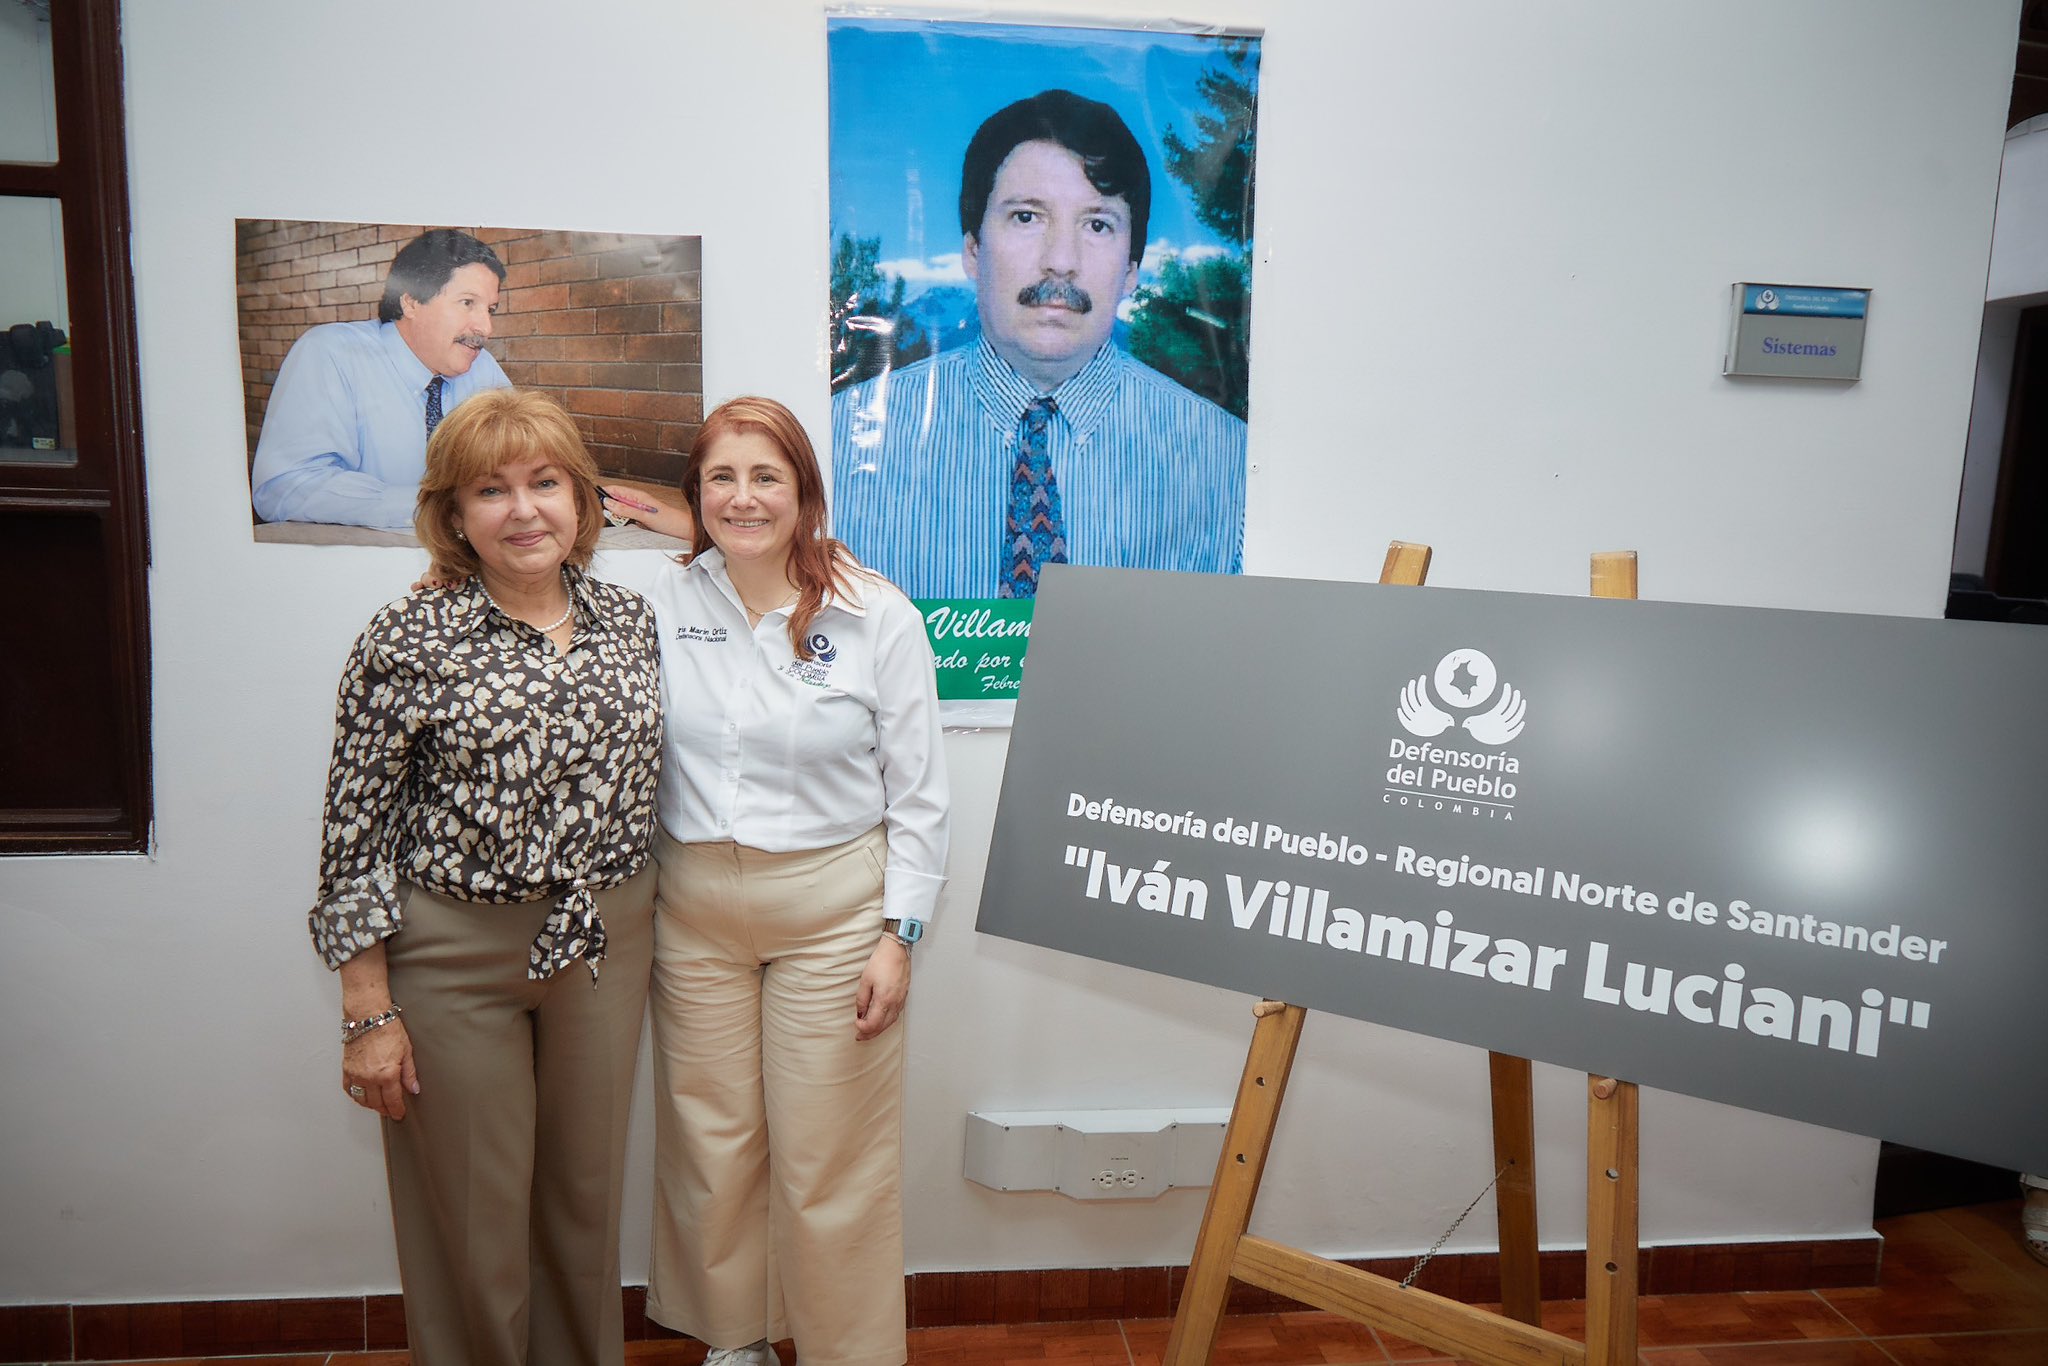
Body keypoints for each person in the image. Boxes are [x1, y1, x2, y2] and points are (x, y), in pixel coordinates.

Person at [311, 388, 664, 1366]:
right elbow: (356, 825)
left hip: (604, 940)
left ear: (581, 501)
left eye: (545, 483)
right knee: (474, 1212)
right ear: (453, 514)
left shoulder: (630, 621)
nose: (523, 509)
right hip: (453, 951)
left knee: (584, 1208)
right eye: (491, 489)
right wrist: (367, 1008)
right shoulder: (406, 637)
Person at [635, 396, 948, 1366]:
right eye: (720, 477)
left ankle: (845, 1352)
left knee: (827, 1156)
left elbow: (921, 797)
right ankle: (733, 1343)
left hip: (833, 918)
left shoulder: (874, 612)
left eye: (765, 475)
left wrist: (898, 937)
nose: (742, 496)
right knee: (712, 1144)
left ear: (804, 492)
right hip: (693, 913)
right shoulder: (660, 601)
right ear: (695, 495)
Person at [831, 88, 1246, 599]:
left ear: (1132, 268)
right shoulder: (835, 442)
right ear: (972, 249)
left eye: (1097, 224)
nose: (1061, 260)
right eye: (1027, 216)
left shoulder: (1228, 458)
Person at [252, 228, 511, 529]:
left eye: (490, 309)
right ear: (411, 301)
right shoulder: (331, 353)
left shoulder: (483, 368)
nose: (486, 327)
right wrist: (441, 510)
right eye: (468, 303)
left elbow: (521, 463)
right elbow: (284, 488)